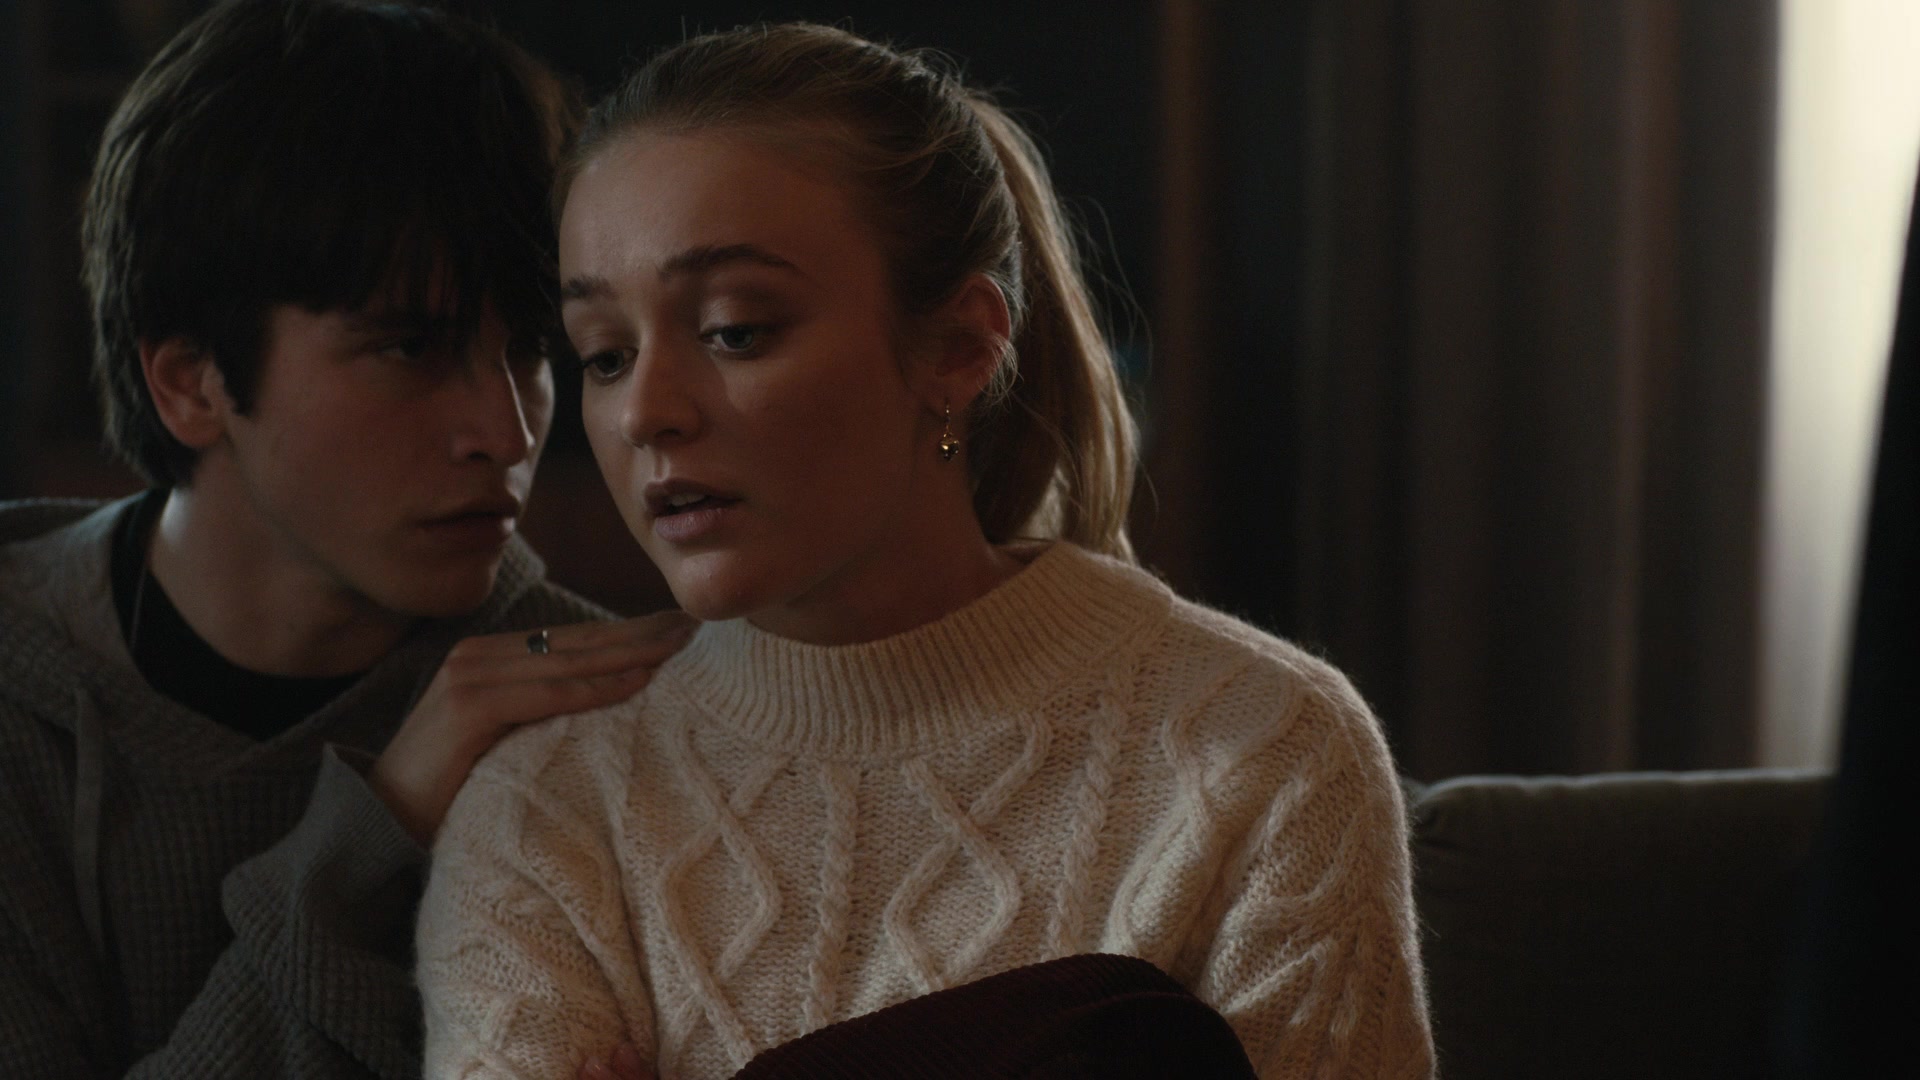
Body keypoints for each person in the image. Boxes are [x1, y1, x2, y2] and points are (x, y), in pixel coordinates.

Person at [417, 22, 1434, 1080]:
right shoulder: (545, 806)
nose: (643, 414)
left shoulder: (1265, 750)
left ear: (957, 347)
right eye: (605, 355)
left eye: (734, 330)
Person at [0, 2, 690, 1076]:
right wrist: (383, 824)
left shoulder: (591, 705)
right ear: (190, 381)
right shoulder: (20, 694)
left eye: (531, 349)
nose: (507, 433)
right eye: (410, 348)